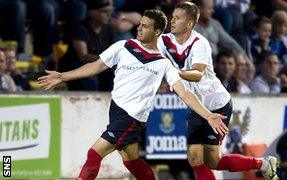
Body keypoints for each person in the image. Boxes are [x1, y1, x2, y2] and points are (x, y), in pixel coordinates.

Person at [38, 9, 229, 180]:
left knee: (94, 154)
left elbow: (185, 93)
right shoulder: (123, 46)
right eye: (140, 24)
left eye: (145, 26)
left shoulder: (163, 63)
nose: (139, 29)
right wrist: (62, 76)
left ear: (156, 32)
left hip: (131, 118)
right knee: (132, 161)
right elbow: (95, 66)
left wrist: (208, 115)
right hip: (116, 110)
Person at [157, 2, 277, 180]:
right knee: (195, 158)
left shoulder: (200, 43)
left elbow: (197, 74)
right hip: (198, 107)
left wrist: (173, 73)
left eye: (177, 18)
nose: (172, 21)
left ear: (189, 24)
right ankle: (263, 164)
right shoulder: (164, 41)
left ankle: (262, 163)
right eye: (172, 17)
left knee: (213, 160)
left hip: (217, 104)